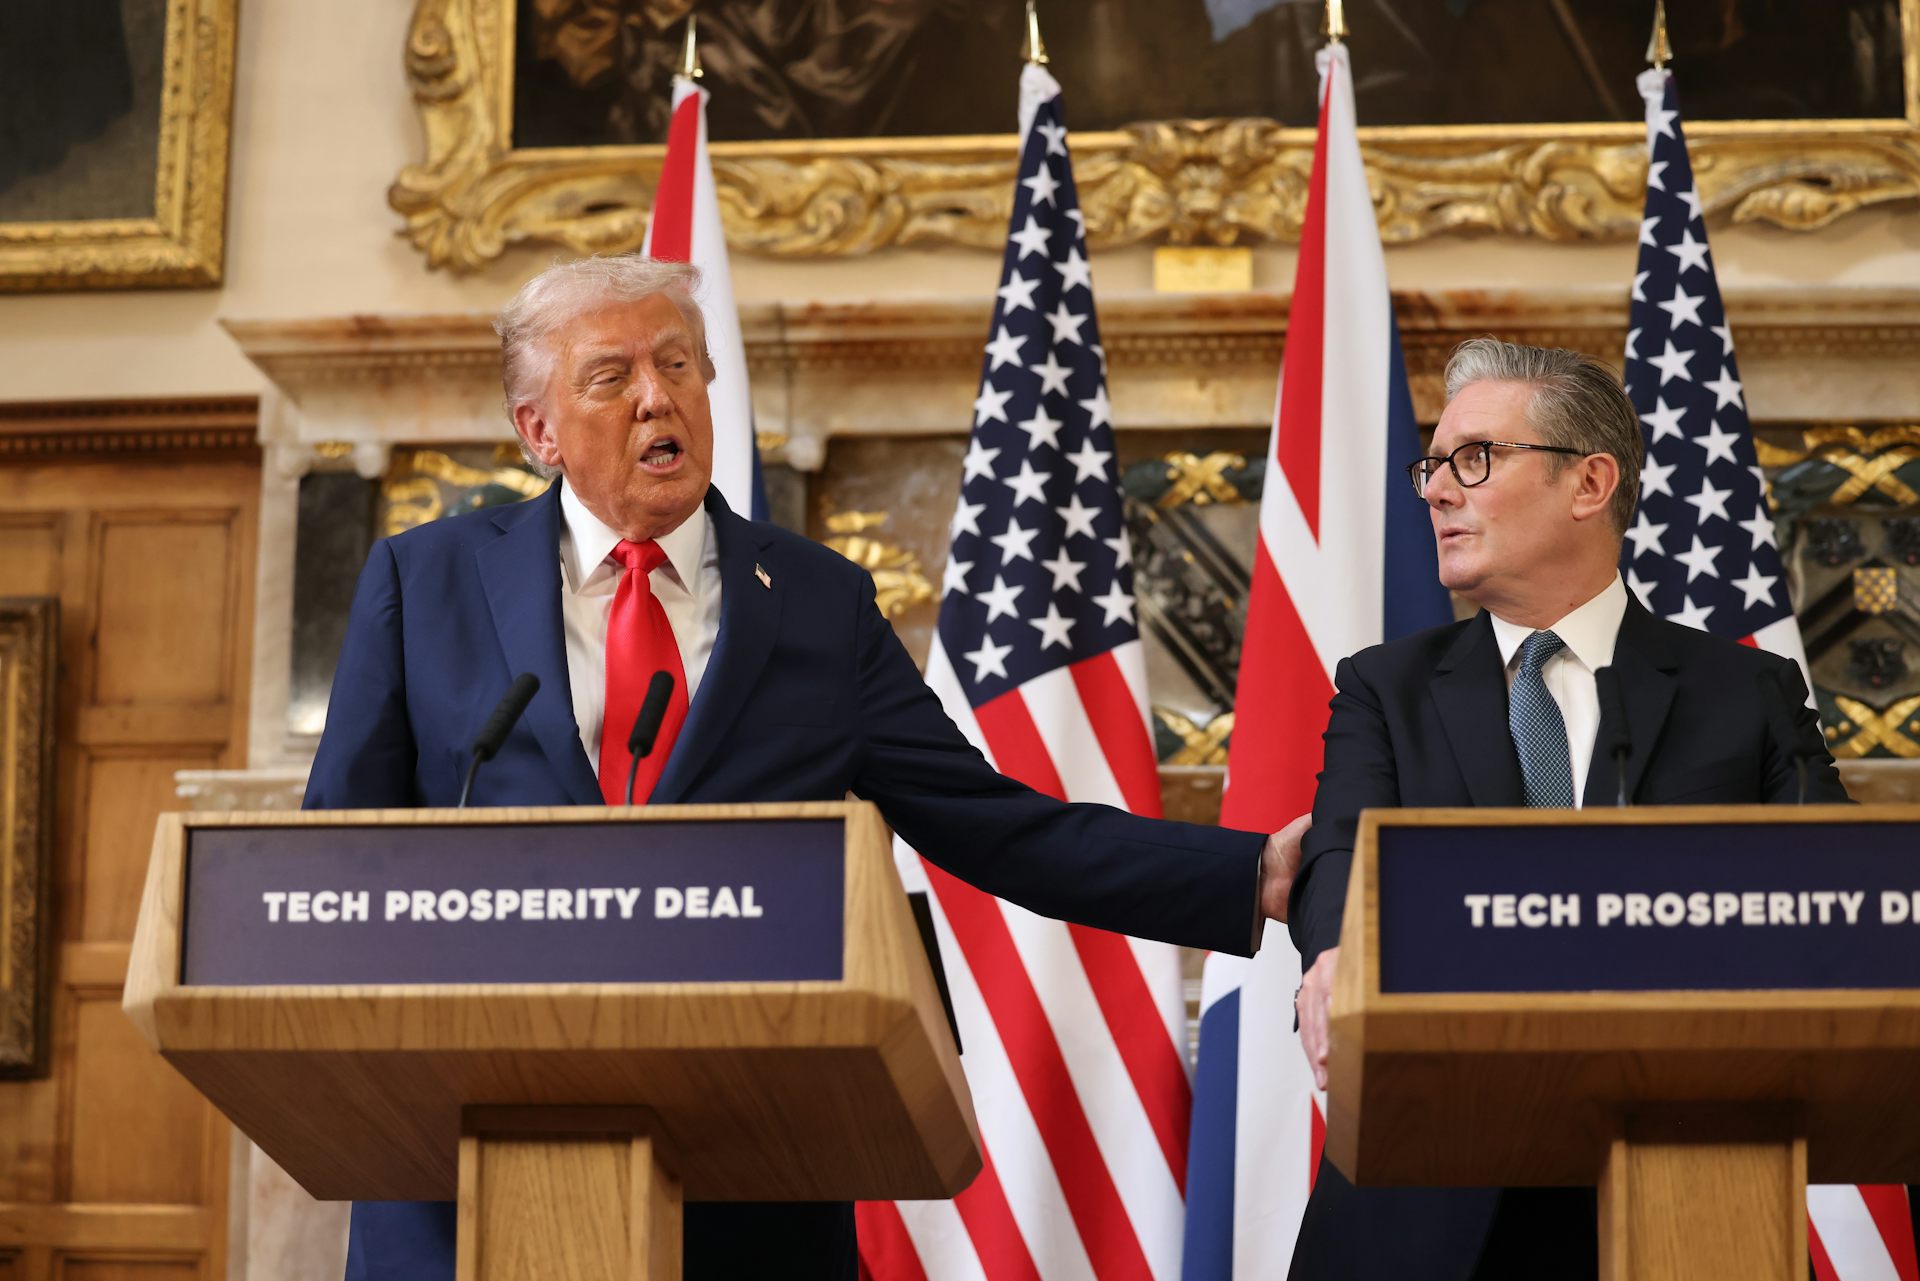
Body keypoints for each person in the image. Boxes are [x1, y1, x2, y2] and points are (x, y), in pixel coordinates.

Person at [305, 253, 1305, 1281]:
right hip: (465, 1179)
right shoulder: (423, 582)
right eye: (611, 376)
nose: (657, 396)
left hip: (749, 1188)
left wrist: (1250, 874)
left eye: (678, 364)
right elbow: (333, 861)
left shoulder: (819, 603)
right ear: (539, 430)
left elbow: (997, 824)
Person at [1284, 337, 1847, 1281]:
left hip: (1685, 1195)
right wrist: (1338, 957)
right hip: (1427, 1196)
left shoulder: (1744, 692)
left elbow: (1838, 901)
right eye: (1434, 466)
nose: (1437, 491)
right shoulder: (1386, 687)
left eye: (1475, 458)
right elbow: (1342, 851)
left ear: (1590, 482)